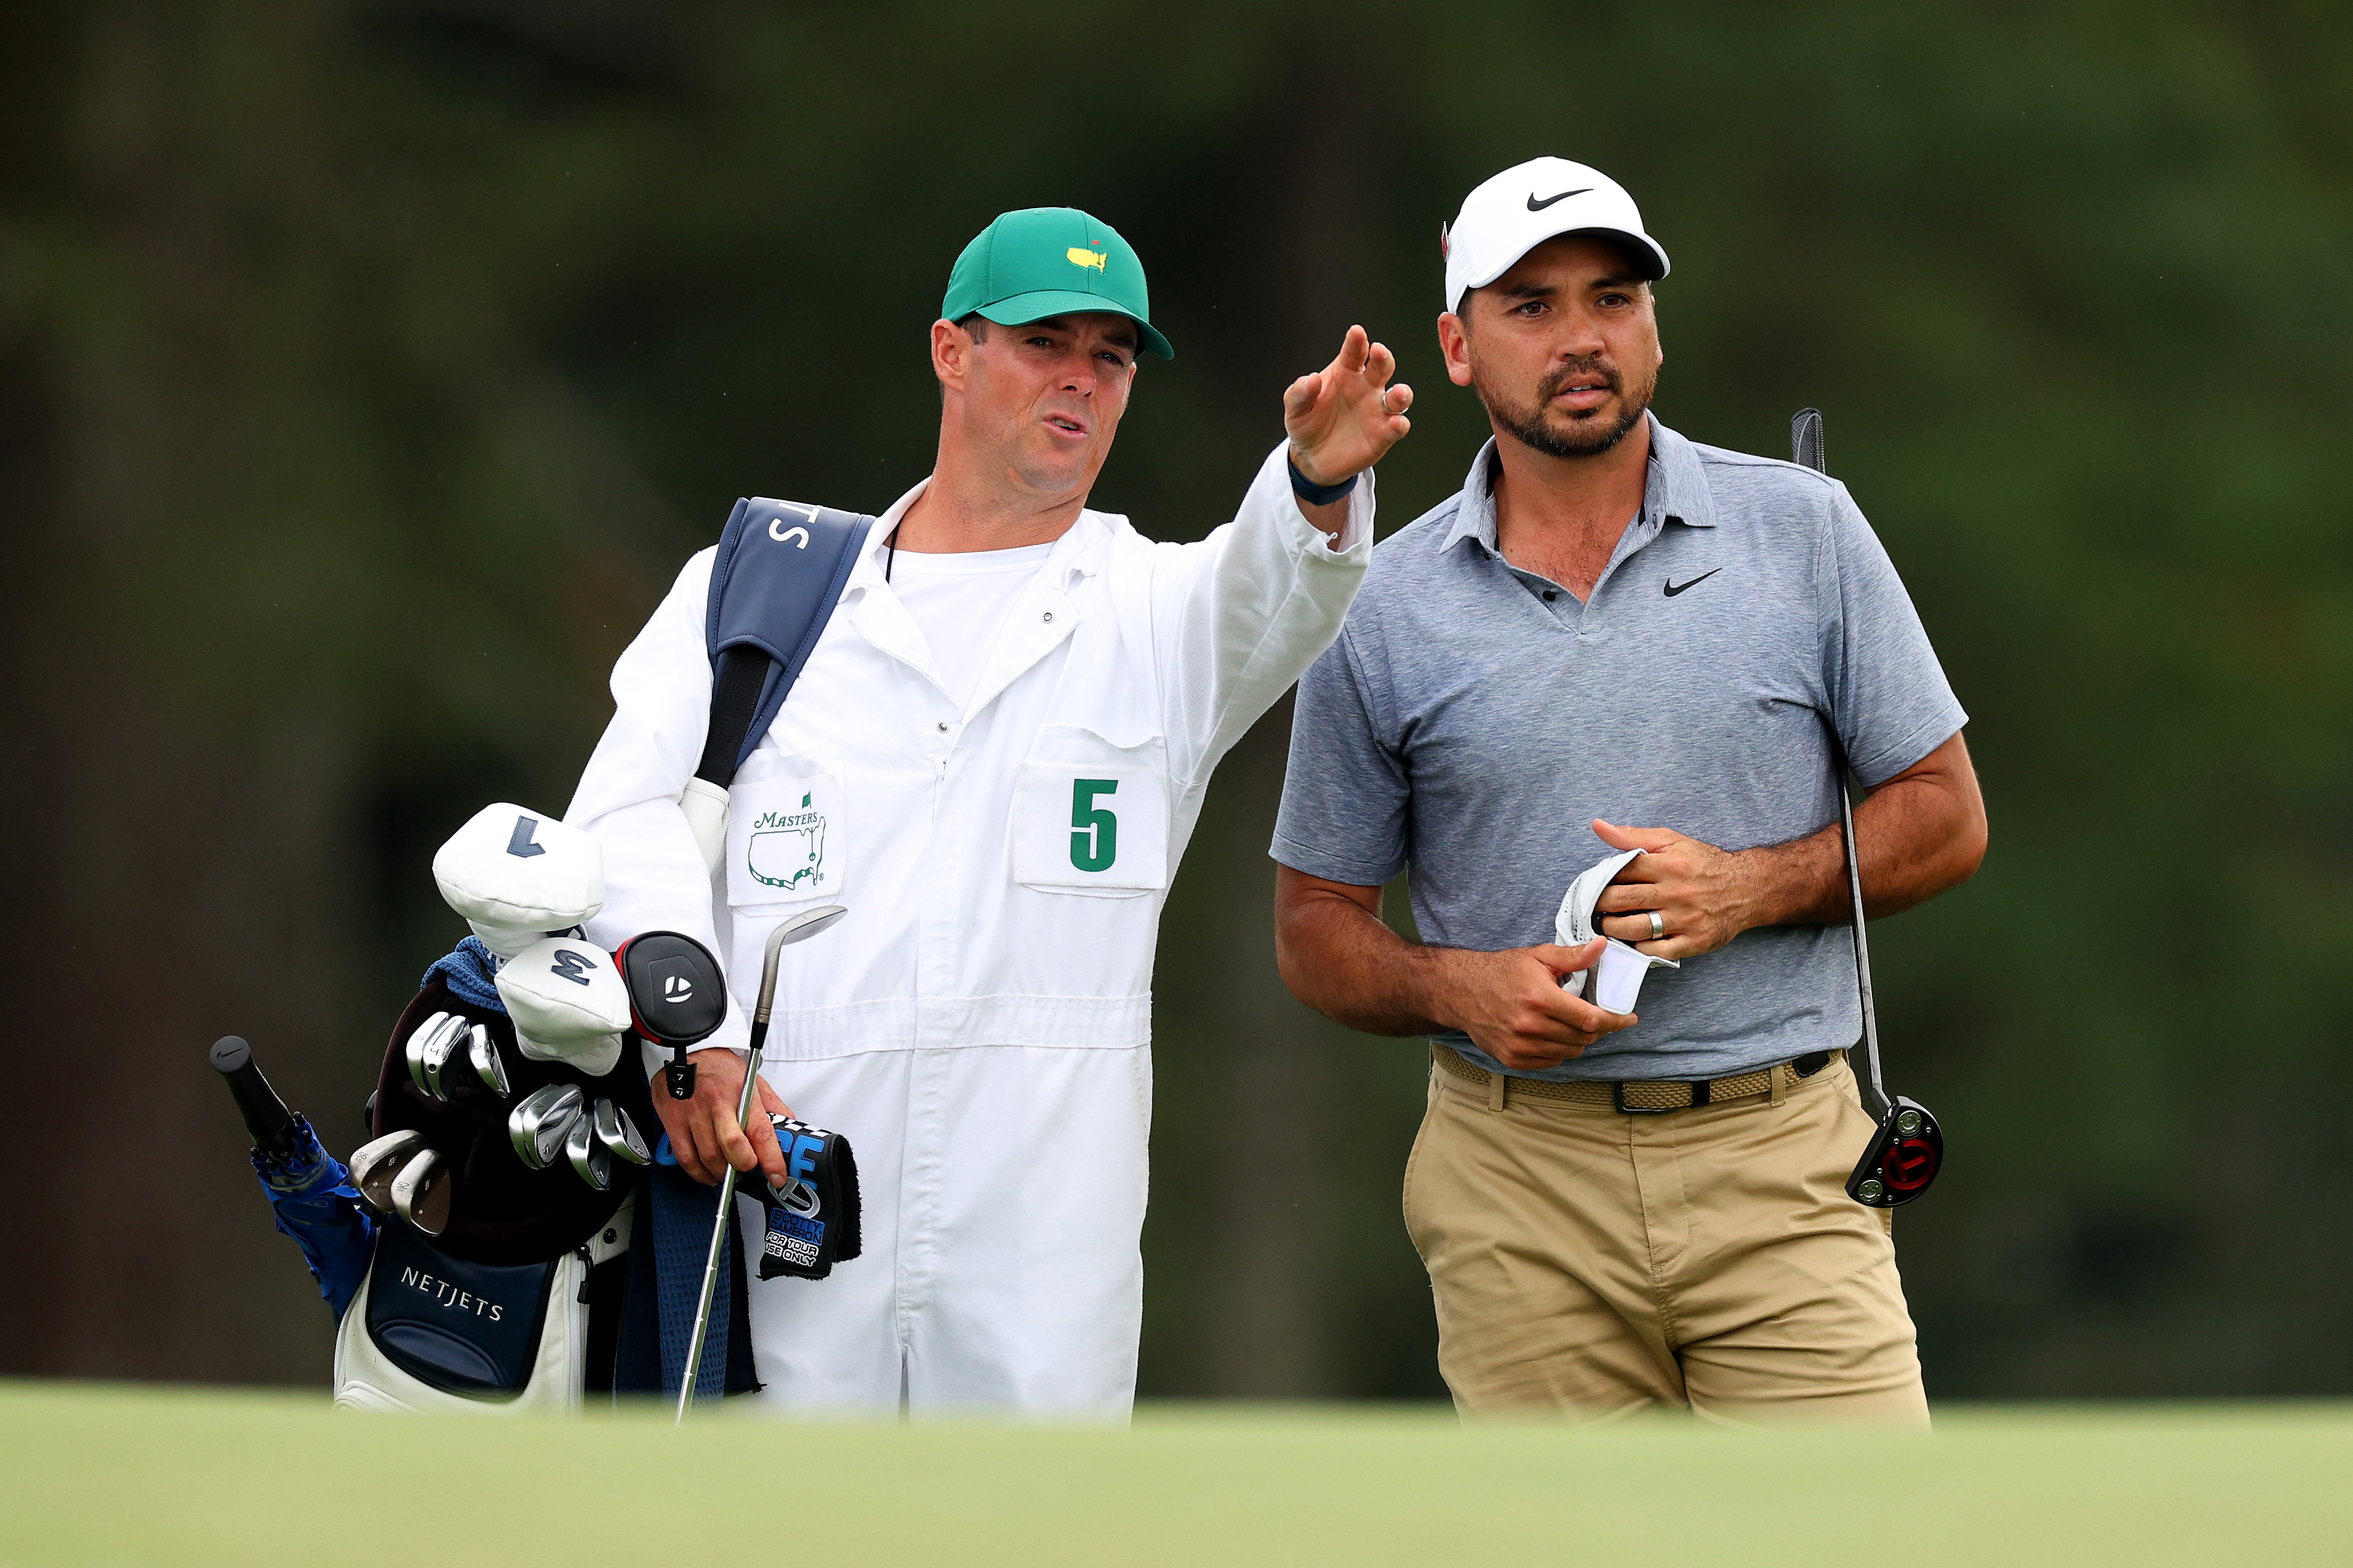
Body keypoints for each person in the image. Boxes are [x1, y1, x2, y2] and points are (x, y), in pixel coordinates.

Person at [564, 207, 1411, 1416]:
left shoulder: (1157, 615)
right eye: (1042, 339)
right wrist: (693, 1037)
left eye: (1111, 354)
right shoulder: (759, 589)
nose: (1079, 376)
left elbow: (1281, 583)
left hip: (1039, 1252)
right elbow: (620, 821)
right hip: (775, 1210)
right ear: (951, 353)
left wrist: (1316, 478)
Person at [1269, 159, 1986, 1424]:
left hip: (1780, 1160)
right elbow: (1315, 932)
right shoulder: (1379, 602)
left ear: (1654, 324)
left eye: (1612, 297)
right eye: (1531, 307)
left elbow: (1944, 812)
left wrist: (1751, 885)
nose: (1581, 337)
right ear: (1456, 344)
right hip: (1513, 1180)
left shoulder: (1804, 527)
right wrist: (1463, 989)